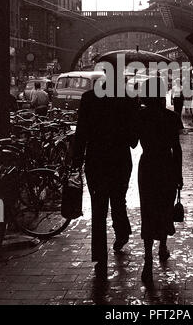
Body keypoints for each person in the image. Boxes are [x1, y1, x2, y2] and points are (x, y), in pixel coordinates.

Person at [72, 77, 138, 281]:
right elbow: (134, 141)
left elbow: (81, 132)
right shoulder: (126, 101)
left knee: (98, 208)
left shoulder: (88, 99)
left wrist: (76, 159)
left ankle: (100, 256)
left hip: (96, 161)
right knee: (118, 200)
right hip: (119, 160)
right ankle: (122, 234)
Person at [136, 77, 183, 284]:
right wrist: (179, 174)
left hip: (147, 166)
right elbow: (177, 147)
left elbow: (131, 142)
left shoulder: (140, 116)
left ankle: (148, 261)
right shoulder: (171, 117)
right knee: (164, 206)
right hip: (167, 165)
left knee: (148, 209)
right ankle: (162, 246)